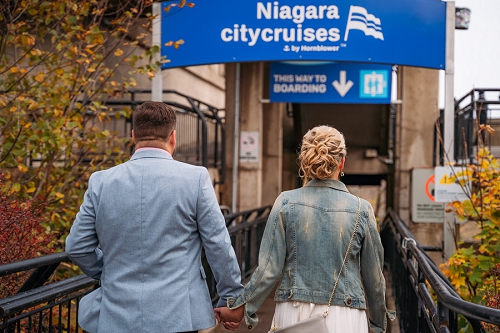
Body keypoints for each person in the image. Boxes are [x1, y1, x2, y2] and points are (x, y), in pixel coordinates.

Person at [65, 101, 244, 333]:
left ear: (133, 136)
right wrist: (232, 298)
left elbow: (77, 246)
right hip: (178, 315)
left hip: (115, 316)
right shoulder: (195, 179)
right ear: (173, 137)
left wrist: (110, 271)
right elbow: (218, 244)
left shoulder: (101, 181)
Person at [215, 125, 395, 332]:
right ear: (342, 161)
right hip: (345, 316)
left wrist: (241, 307)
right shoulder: (362, 209)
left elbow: (268, 270)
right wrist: (379, 322)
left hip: (294, 313)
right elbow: (374, 278)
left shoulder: (285, 202)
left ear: (304, 161)